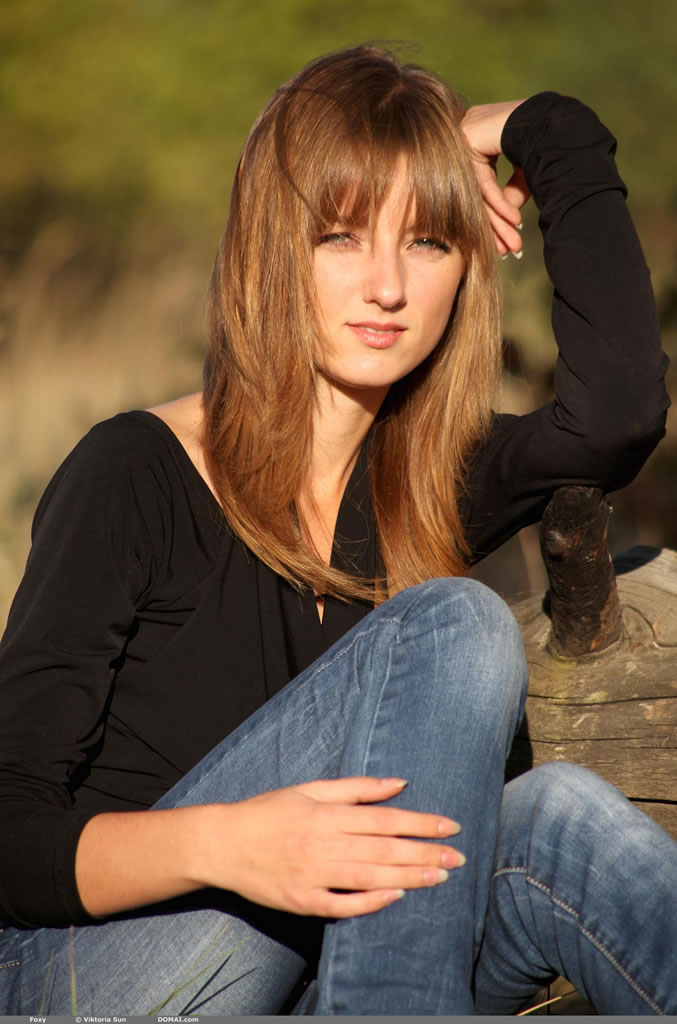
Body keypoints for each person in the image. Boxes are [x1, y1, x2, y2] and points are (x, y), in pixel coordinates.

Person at [0, 43, 674, 1016]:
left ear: (465, 268)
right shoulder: (133, 473)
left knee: (561, 820)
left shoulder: (432, 481)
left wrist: (547, 129)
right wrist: (230, 844)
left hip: (324, 976)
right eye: (342, 236)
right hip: (90, 975)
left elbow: (615, 414)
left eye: (427, 241)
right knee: (458, 622)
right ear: (273, 247)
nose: (386, 286)